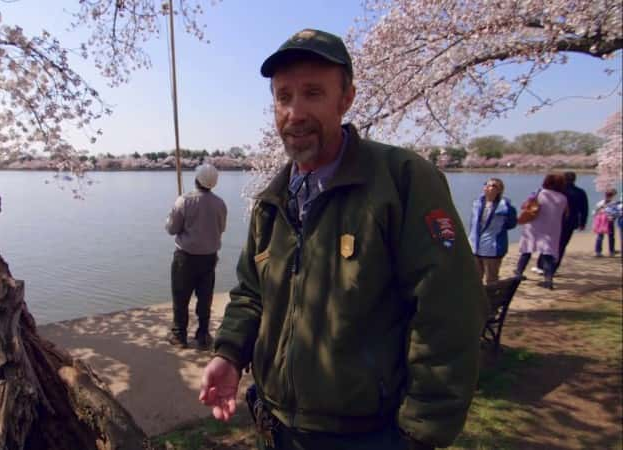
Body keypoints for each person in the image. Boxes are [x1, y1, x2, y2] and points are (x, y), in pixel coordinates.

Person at [199, 29, 486, 450]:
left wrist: (422, 431)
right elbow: (250, 294)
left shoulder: (402, 182)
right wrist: (229, 354)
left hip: (369, 435)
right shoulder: (272, 200)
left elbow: (449, 310)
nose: (294, 112)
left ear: (346, 98)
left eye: (313, 93)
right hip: (276, 426)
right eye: (283, 97)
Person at [165, 163, 227, 349]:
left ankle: (179, 335)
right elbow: (221, 228)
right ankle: (202, 335)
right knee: (205, 297)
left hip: (185, 257)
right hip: (209, 257)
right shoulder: (220, 203)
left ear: (196, 179)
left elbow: (171, 228)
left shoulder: (184, 201)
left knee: (180, 297)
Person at [514, 174, 568, 289]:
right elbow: (565, 214)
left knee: (527, 250)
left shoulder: (539, 194)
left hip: (534, 226)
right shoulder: (563, 198)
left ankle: (519, 272)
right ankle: (548, 279)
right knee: (548, 254)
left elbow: (525, 206)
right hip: (552, 228)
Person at [533, 171, 588, 275]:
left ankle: (541, 266)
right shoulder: (580, 192)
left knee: (547, 242)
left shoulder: (558, 191)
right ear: (574, 179)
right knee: (561, 245)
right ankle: (553, 268)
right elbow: (584, 209)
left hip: (554, 221)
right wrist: (582, 223)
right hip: (570, 223)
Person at [468, 178, 517, 284]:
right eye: (486, 184)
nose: (488, 187)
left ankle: (491, 299)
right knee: (474, 278)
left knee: (491, 279)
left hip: (492, 248)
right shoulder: (477, 203)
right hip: (475, 246)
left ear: (499, 190)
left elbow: (512, 224)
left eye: (493, 185)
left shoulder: (505, 207)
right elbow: (472, 224)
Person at [593, 188, 618, 257]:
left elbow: (594, 212)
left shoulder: (600, 203)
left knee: (600, 236)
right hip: (609, 221)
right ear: (612, 195)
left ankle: (598, 251)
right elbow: (615, 213)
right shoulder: (613, 203)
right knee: (611, 236)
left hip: (601, 221)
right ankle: (611, 251)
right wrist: (613, 217)